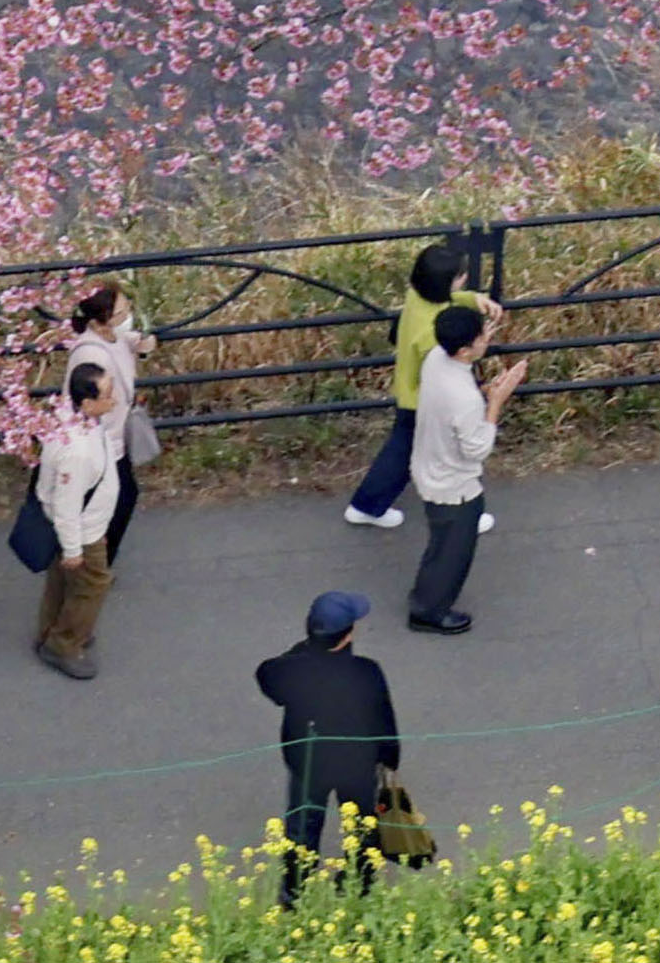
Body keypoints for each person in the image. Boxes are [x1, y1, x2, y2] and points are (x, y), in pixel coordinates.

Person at [254, 589, 403, 907]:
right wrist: (389, 759)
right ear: (348, 635)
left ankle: (294, 890)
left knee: (302, 826)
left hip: (306, 761)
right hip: (356, 763)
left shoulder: (291, 671)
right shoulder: (366, 672)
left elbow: (267, 674)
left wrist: (304, 651)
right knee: (362, 823)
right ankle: (358, 880)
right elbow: (383, 720)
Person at [345, 243, 500, 530]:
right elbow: (451, 363)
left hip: (409, 392)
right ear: (444, 283)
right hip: (428, 401)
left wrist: (470, 300)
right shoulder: (433, 335)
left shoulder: (417, 296)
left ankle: (366, 505)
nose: (464, 278)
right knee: (451, 457)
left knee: (401, 452)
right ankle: (464, 512)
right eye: (459, 277)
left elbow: (443, 303)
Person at [406, 303, 523, 634]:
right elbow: (477, 449)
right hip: (455, 487)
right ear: (464, 349)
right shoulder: (465, 400)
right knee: (453, 555)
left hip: (429, 468)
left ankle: (424, 596)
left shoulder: (436, 360)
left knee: (439, 546)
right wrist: (495, 402)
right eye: (480, 336)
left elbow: (453, 405)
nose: (486, 339)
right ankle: (430, 611)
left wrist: (484, 391)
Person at [32, 362, 126, 680]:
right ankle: (65, 642)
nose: (112, 401)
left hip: (82, 525)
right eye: (108, 395)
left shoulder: (72, 421)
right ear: (86, 403)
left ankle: (50, 631)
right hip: (84, 530)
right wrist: (74, 549)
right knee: (92, 585)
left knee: (60, 581)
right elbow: (67, 506)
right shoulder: (79, 453)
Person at [66, 283, 160, 564]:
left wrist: (140, 345)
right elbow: (81, 401)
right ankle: (94, 562)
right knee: (115, 501)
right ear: (99, 320)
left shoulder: (110, 336)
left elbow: (123, 342)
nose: (127, 316)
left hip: (113, 439)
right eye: (120, 313)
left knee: (118, 499)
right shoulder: (89, 355)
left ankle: (95, 560)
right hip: (102, 442)